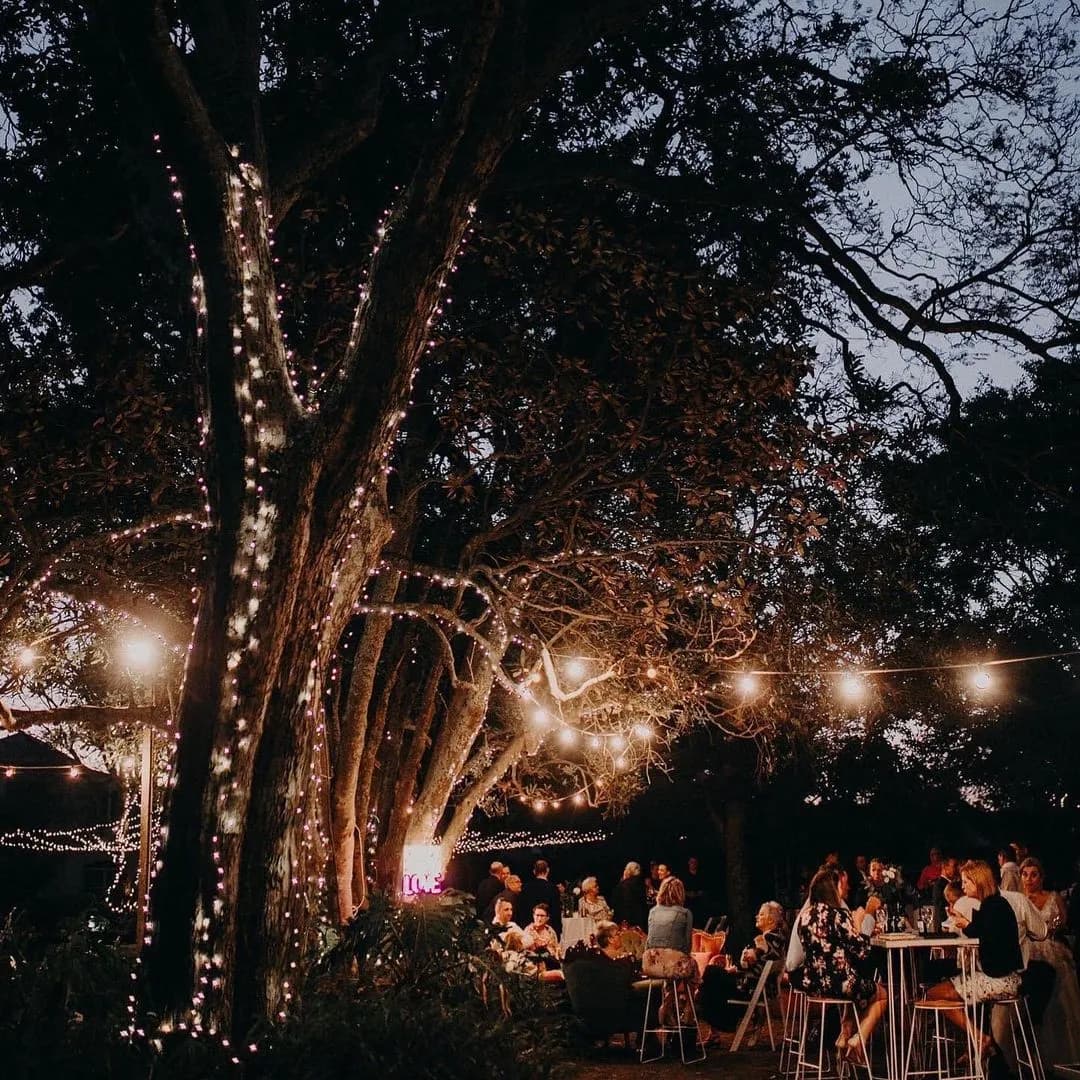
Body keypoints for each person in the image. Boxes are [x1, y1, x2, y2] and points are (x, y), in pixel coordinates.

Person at [926, 859, 1024, 1057]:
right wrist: (965, 924)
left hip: (1000, 980)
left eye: (965, 882)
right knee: (938, 991)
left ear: (978, 881)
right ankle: (979, 1038)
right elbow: (983, 933)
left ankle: (978, 1037)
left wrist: (965, 924)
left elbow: (986, 940)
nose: (962, 886)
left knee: (932, 994)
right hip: (1000, 976)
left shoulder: (994, 906)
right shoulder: (991, 905)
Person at [797, 866, 886, 1063]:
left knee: (855, 988)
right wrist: (860, 922)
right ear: (833, 887)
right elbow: (863, 952)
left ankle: (844, 1034)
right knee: (882, 994)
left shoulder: (805, 916)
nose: (845, 889)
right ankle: (858, 1038)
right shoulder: (838, 915)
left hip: (813, 985)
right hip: (838, 984)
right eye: (842, 885)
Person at [1019, 856, 1080, 1063]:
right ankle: (1032, 1056)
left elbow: (1063, 924)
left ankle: (1063, 1057)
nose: (1029, 879)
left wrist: (1052, 930)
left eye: (1034, 874)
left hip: (1052, 949)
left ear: (1041, 877)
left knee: (1061, 1003)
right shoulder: (1018, 899)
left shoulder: (1053, 897)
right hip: (1029, 951)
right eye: (1025, 874)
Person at [698, 900, 786, 1030]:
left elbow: (759, 970)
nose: (757, 916)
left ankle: (720, 1022)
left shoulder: (769, 939)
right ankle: (718, 1024)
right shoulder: (776, 937)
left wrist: (739, 969)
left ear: (771, 921)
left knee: (711, 973)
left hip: (750, 988)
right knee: (712, 978)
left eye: (761, 915)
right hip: (759, 987)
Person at [522, 858, 563, 938]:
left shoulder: (525, 888)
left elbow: (522, 910)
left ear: (534, 871)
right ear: (547, 870)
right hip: (548, 929)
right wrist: (558, 930)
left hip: (529, 929)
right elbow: (556, 911)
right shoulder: (552, 888)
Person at [612, 861, 649, 930]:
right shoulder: (642, 884)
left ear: (628, 871)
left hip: (627, 921)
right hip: (641, 919)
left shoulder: (623, 885)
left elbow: (617, 903)